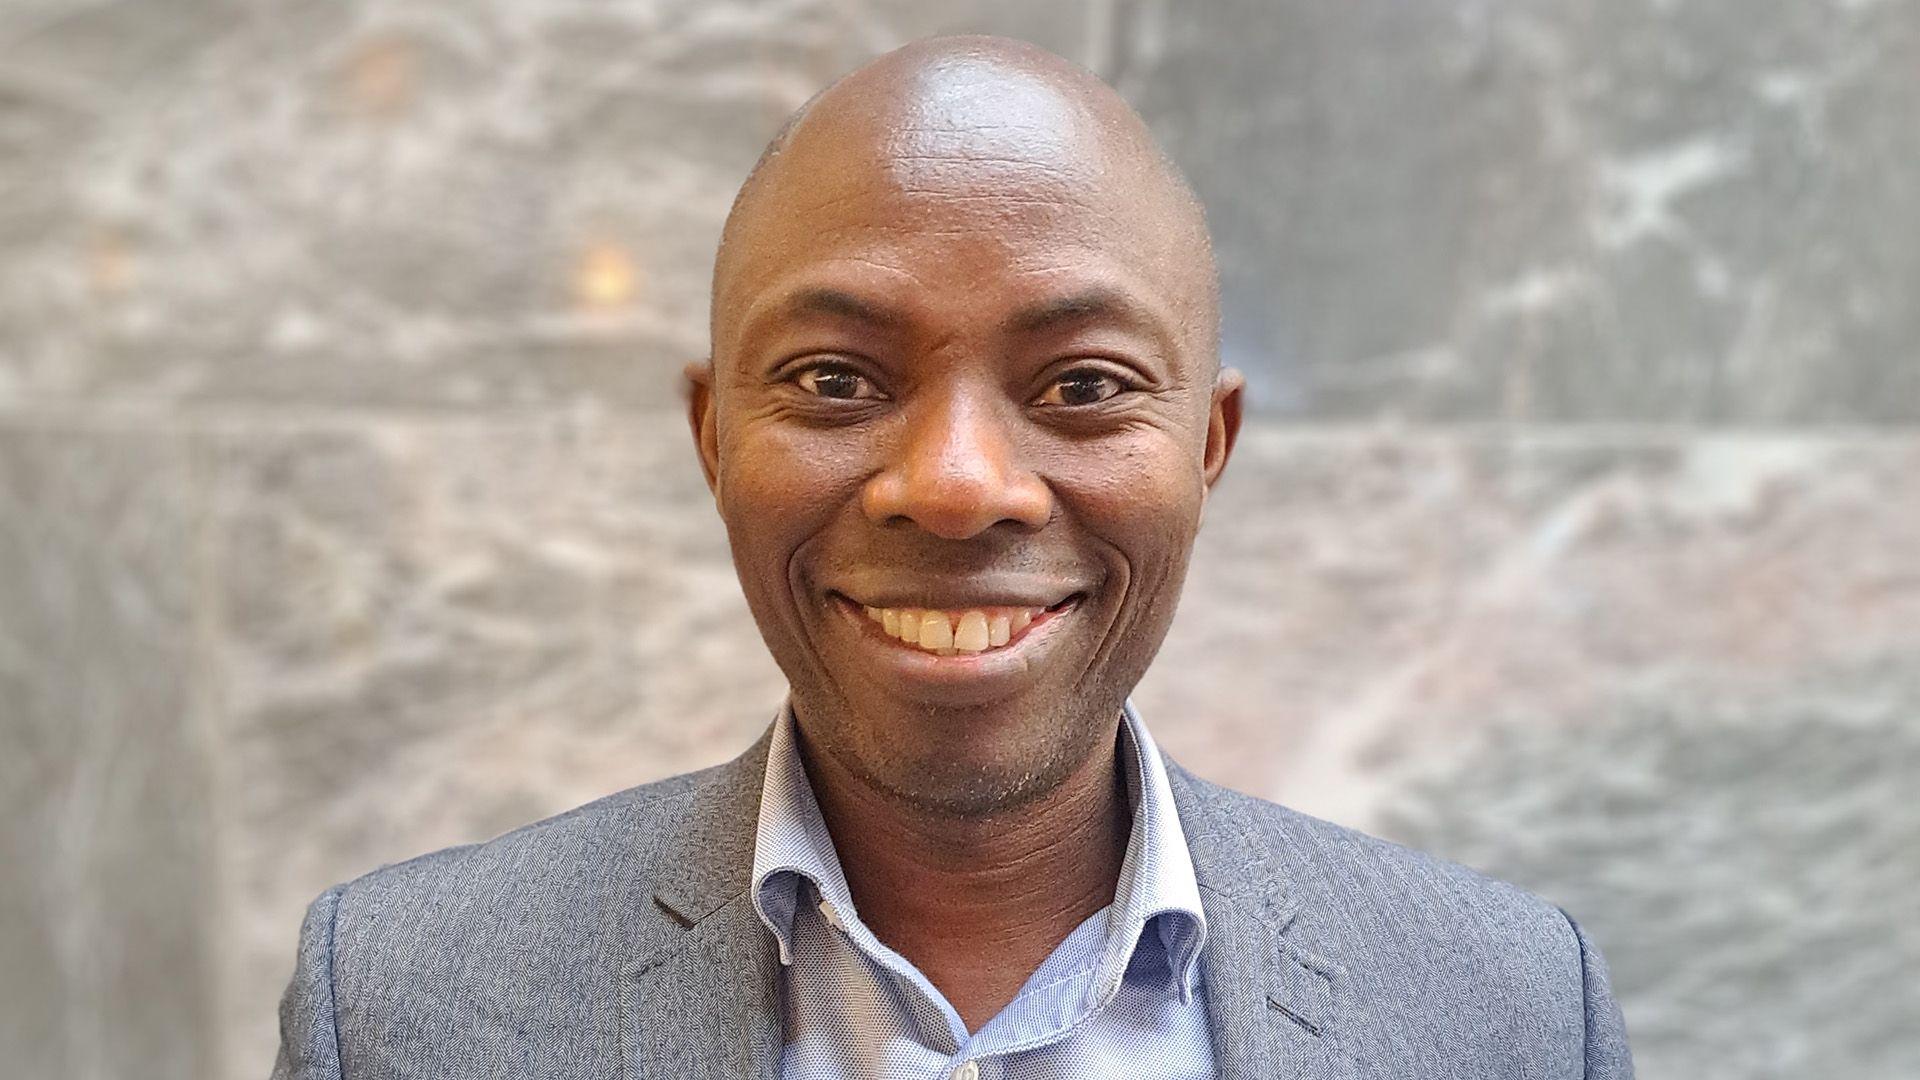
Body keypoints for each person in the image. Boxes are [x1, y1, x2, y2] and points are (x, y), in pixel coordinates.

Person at [271, 34, 1632, 1080]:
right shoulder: (405, 1007)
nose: (959, 486)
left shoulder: (1503, 1010)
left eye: (1085, 385)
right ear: (712, 435)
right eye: (834, 378)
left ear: (1207, 448)